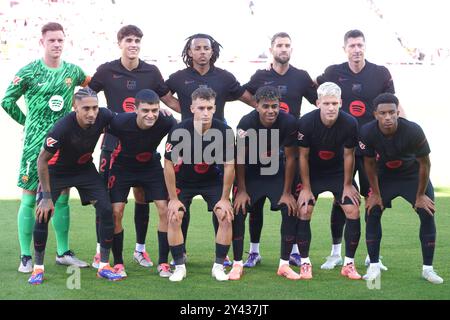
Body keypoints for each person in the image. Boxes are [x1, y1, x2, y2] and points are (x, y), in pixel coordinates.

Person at [1, 22, 90, 273]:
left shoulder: (73, 70)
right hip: (34, 146)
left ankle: (63, 252)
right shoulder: (29, 71)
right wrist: (27, 122)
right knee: (29, 199)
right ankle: (26, 256)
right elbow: (6, 101)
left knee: (61, 199)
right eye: (52, 40)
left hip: (63, 145)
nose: (57, 44)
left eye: (60, 40)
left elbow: (92, 88)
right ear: (42, 42)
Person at [88, 25, 180, 269]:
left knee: (142, 197)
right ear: (120, 43)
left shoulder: (151, 72)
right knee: (109, 203)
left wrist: (194, 112)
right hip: (113, 145)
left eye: (137, 40)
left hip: (144, 145)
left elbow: (168, 99)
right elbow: (88, 94)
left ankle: (141, 250)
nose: (134, 44)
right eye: (129, 40)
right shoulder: (106, 70)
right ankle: (102, 250)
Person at [316, 29, 404, 270]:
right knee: (340, 198)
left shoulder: (380, 73)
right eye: (352, 45)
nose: (356, 49)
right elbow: (317, 93)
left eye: (360, 45)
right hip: (341, 145)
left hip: (371, 149)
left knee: (373, 197)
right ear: (344, 48)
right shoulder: (333, 72)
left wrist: (402, 135)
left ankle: (371, 254)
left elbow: (393, 106)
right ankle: (335, 253)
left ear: (365, 47)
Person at [165, 33, 254, 265]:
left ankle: (221, 256)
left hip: (217, 140)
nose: (203, 51)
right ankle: (180, 253)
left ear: (212, 51)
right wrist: (182, 109)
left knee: (220, 202)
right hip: (187, 140)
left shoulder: (224, 77)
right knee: (181, 204)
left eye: (207, 48)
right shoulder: (178, 77)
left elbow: (246, 97)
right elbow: (162, 94)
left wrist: (264, 109)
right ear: (190, 52)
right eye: (198, 48)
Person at [28, 88, 123, 285]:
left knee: (106, 209)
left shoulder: (103, 115)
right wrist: (46, 197)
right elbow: (41, 161)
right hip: (57, 172)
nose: (91, 113)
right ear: (75, 107)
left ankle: (104, 266)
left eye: (95, 108)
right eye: (86, 108)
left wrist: (150, 114)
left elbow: (124, 120)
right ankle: (37, 269)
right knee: (42, 214)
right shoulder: (61, 128)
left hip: (84, 169)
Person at [240, 32, 317, 268]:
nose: (284, 49)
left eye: (287, 45)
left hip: (289, 144)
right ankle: (254, 251)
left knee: (291, 201)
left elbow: (318, 100)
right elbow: (242, 92)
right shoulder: (261, 75)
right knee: (255, 205)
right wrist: (259, 108)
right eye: (279, 45)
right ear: (272, 48)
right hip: (261, 150)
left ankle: (293, 251)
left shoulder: (301, 76)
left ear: (291, 49)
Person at [360, 93, 443, 284]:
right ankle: (373, 266)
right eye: (383, 113)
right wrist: (376, 194)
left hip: (412, 175)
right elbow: (370, 165)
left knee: (427, 211)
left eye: (392, 112)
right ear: (375, 114)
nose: (388, 117)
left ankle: (428, 270)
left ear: (398, 112)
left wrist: (420, 195)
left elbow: (425, 164)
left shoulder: (413, 130)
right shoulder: (367, 132)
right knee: (372, 211)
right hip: (384, 177)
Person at [164, 87, 235, 282]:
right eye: (201, 107)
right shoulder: (179, 130)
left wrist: (224, 199)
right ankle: (179, 266)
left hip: (212, 181)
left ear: (215, 108)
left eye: (209, 108)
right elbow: (168, 164)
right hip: (184, 181)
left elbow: (230, 166)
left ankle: (219, 266)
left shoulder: (225, 131)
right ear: (192, 108)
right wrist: (173, 199)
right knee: (174, 216)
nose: (205, 112)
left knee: (226, 216)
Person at [107, 89, 177, 278]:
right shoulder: (120, 121)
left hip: (150, 166)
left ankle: (163, 262)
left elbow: (181, 139)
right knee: (116, 212)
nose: (151, 115)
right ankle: (119, 263)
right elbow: (96, 128)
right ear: (135, 109)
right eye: (145, 110)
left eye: (154, 110)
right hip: (122, 167)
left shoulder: (166, 121)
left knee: (164, 209)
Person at [296, 82, 362, 280]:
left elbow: (350, 155)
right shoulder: (306, 122)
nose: (331, 107)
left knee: (353, 209)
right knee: (305, 209)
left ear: (341, 102)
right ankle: (305, 263)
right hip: (313, 173)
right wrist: (306, 188)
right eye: (326, 103)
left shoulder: (350, 123)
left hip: (338, 173)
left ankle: (348, 263)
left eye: (334, 103)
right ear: (318, 103)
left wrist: (348, 184)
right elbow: (302, 157)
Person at [232, 85, 299, 280]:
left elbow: (291, 158)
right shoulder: (246, 122)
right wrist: (242, 190)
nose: (271, 111)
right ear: (257, 106)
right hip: (252, 173)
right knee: (240, 209)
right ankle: (240, 261)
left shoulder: (288, 122)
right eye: (266, 106)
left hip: (277, 172)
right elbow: (240, 158)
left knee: (289, 208)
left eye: (275, 106)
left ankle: (284, 264)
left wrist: (287, 192)